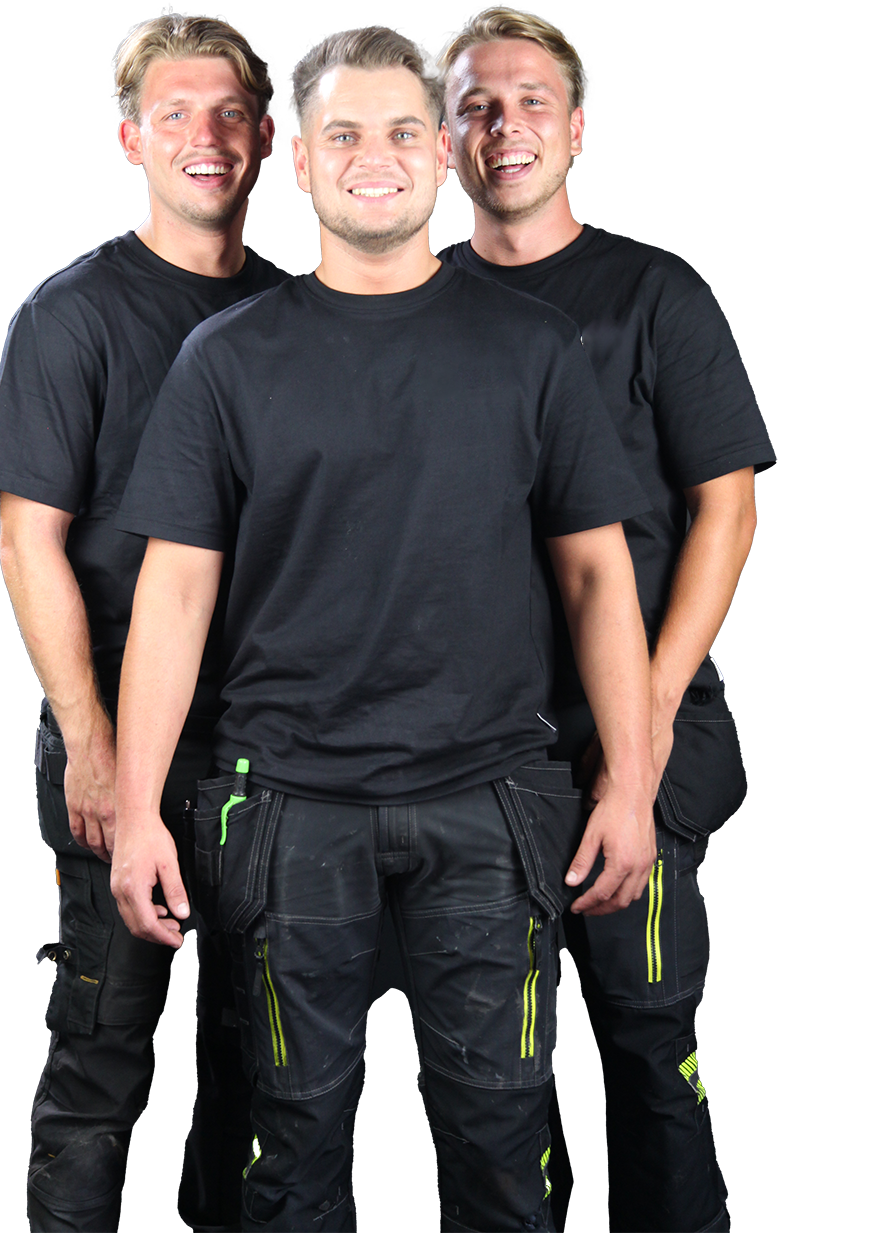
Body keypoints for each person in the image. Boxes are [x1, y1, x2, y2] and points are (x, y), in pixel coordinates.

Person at [110, 25, 658, 1233]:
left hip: (491, 799)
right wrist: (139, 806)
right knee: (287, 1152)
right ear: (300, 162)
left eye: (406, 130)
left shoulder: (533, 347)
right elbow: (175, 594)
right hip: (285, 802)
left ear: (442, 154)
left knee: (506, 1148)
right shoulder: (224, 359)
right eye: (345, 133)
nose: (378, 155)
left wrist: (630, 785)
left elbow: (596, 579)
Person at [435, 10, 775, 1233]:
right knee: (494, 1078)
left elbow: (725, 510)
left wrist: (650, 719)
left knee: (648, 1045)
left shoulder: (652, 293)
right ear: (442, 138)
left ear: (577, 130)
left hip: (637, 735)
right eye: (475, 105)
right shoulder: (413, 298)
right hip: (473, 748)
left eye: (531, 101)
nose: (504, 126)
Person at [0, 14, 290, 1231]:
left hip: (274, 749)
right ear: (130, 140)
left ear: (266, 135)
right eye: (175, 114)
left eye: (229, 113)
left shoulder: (301, 309)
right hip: (120, 739)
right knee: (100, 1058)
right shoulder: (74, 315)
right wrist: (97, 747)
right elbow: (27, 543)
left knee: (259, 1068)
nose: (205, 137)